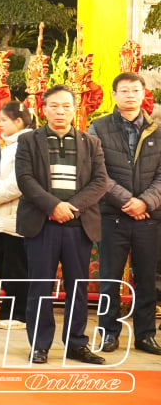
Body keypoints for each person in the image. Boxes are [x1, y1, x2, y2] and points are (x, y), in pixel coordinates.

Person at [16, 84, 108, 365]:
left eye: (66, 106)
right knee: (40, 286)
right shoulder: (29, 141)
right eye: (54, 106)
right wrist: (53, 206)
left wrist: (73, 206)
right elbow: (25, 179)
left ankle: (76, 343)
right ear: (44, 110)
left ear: (74, 108)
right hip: (42, 223)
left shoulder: (90, 143)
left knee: (77, 286)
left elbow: (100, 182)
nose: (60, 111)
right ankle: (40, 345)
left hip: (78, 225)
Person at [89, 72, 161, 356]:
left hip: (149, 218)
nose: (130, 95)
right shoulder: (99, 127)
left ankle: (146, 335)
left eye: (135, 90)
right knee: (109, 279)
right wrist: (126, 201)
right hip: (112, 216)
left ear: (144, 94)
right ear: (114, 95)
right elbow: (97, 172)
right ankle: (108, 333)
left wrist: (145, 202)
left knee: (146, 278)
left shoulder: (158, 128)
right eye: (124, 90)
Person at [0, 101, 34, 330]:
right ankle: (10, 309)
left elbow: (18, 183)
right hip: (1, 216)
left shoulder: (26, 144)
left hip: (16, 215)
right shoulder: (10, 145)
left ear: (18, 121)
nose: (0, 123)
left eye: (4, 120)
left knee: (15, 265)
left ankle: (20, 313)